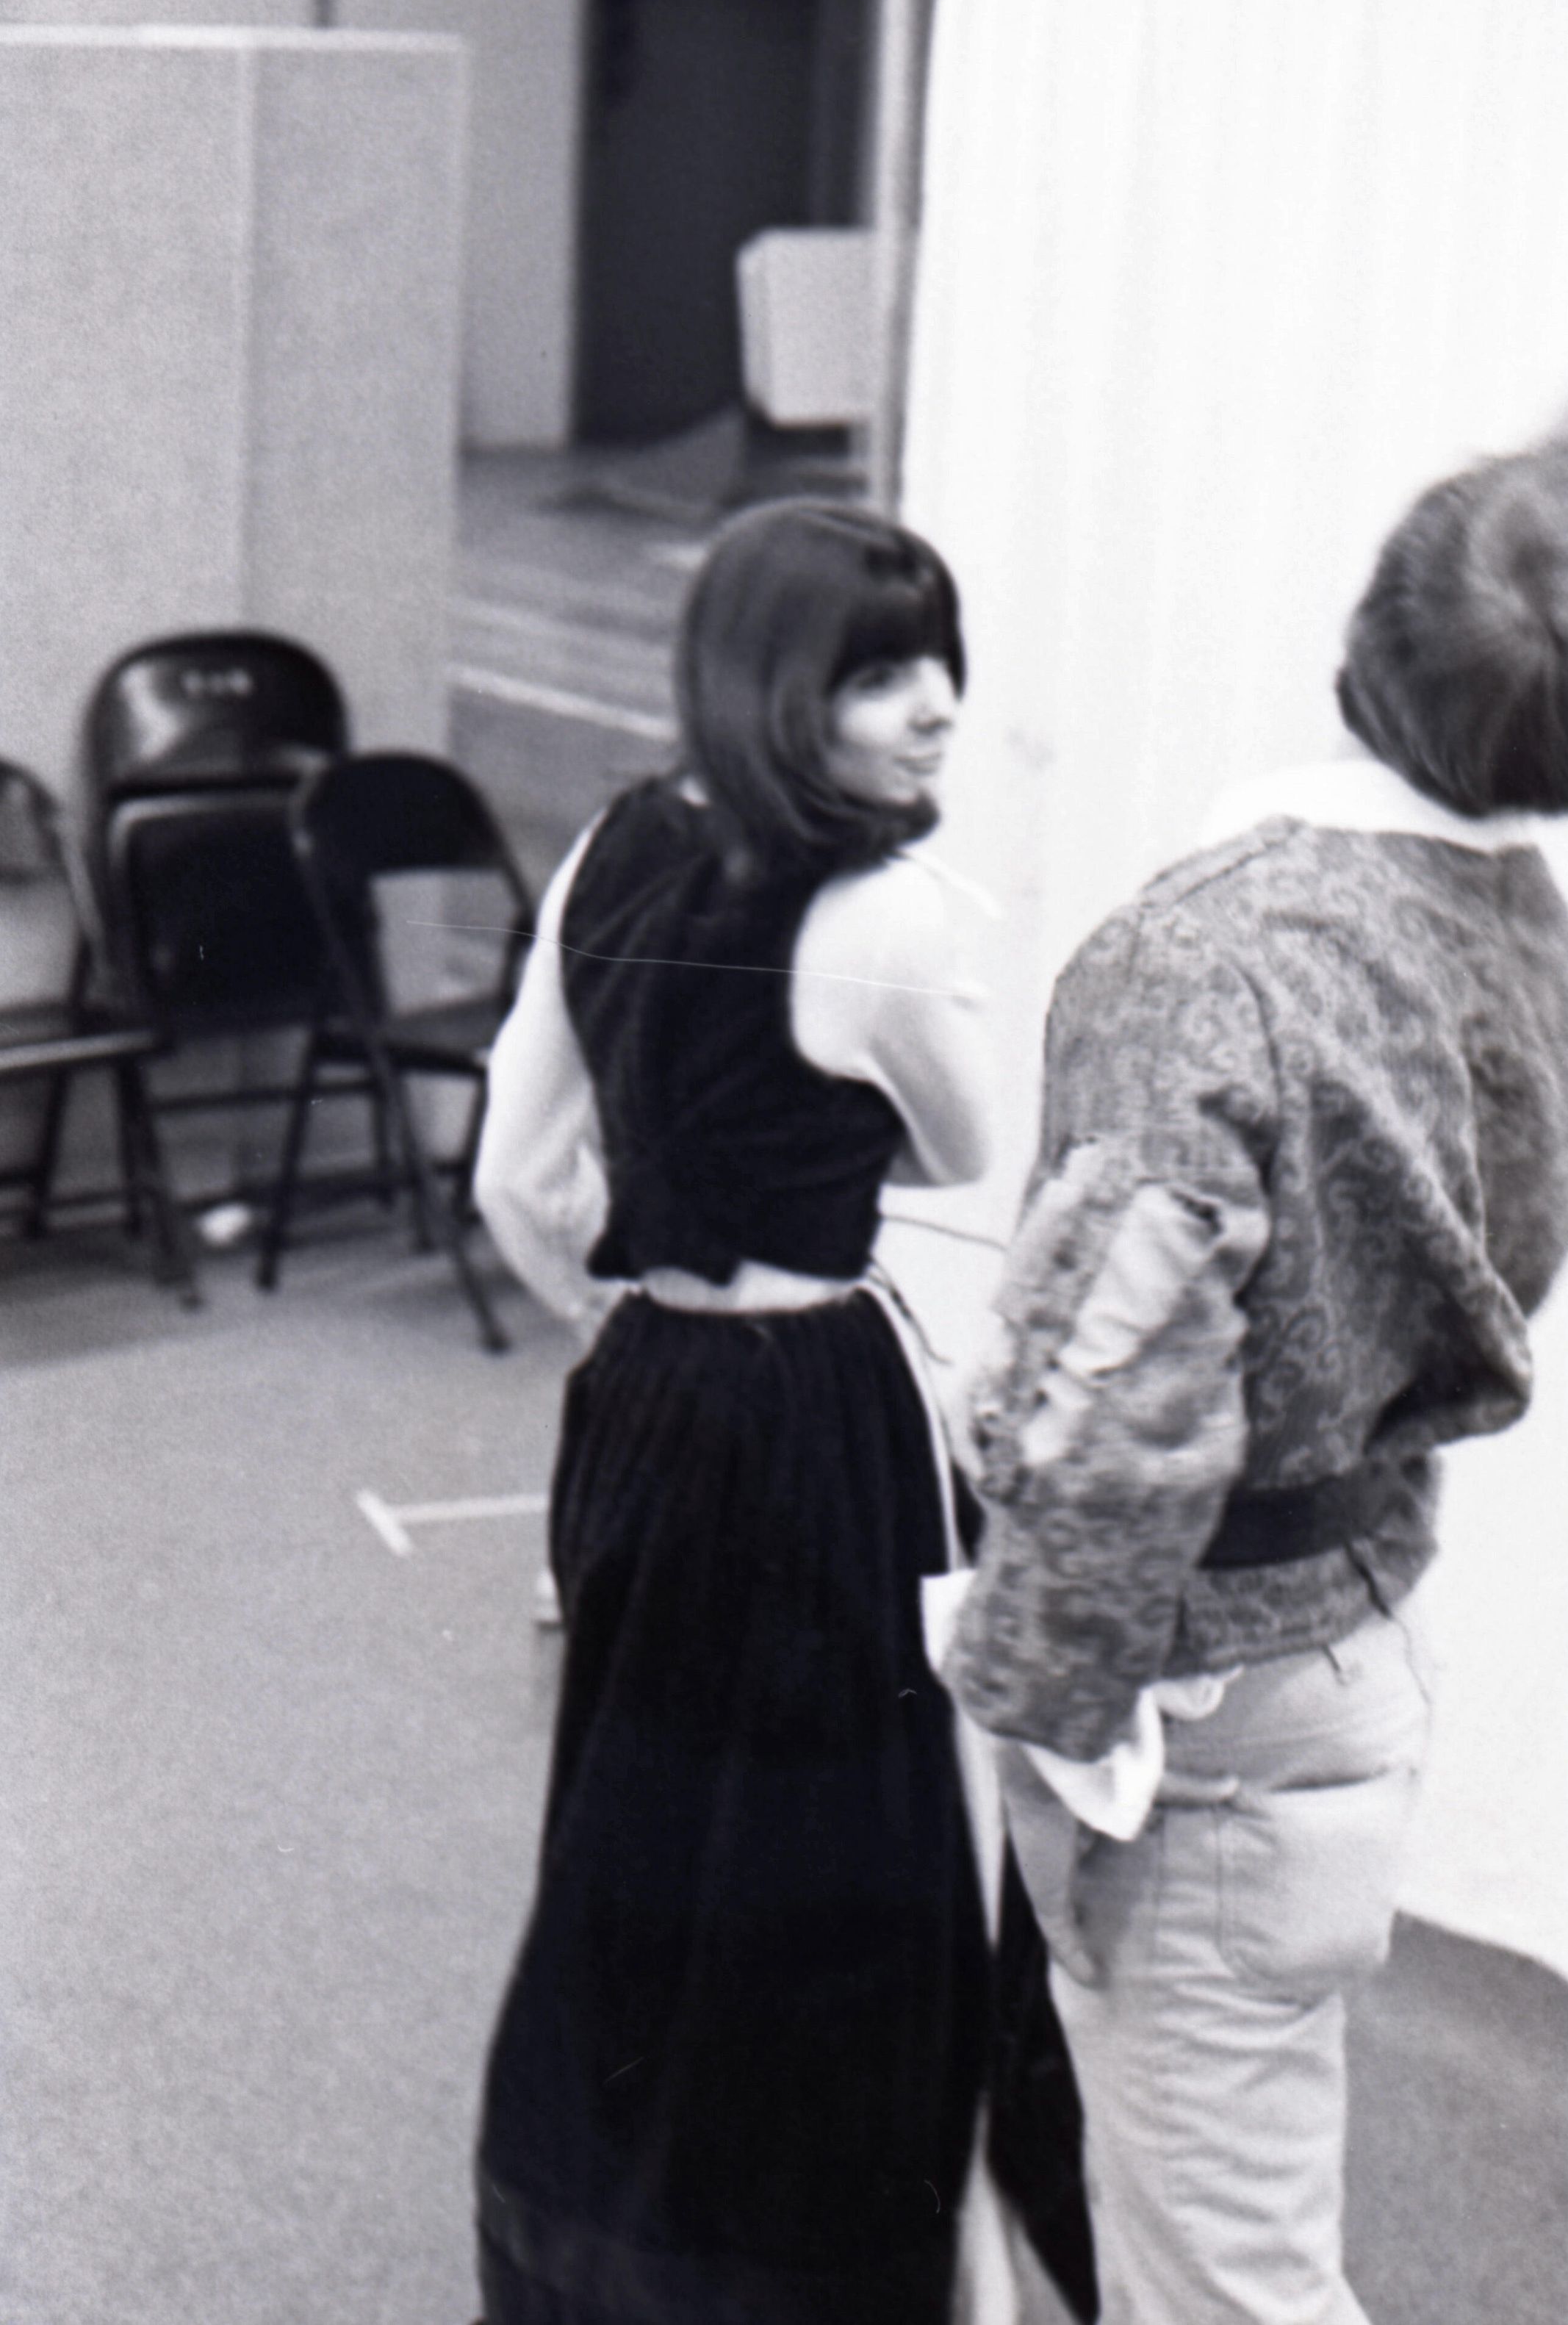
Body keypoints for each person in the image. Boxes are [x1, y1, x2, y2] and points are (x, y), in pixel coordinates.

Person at [944, 384, 1568, 2325]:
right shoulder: (1543, 960)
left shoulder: (1204, 961)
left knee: (1227, 2286)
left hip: (1192, 1704)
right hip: (1345, 1639)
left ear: (1373, 624)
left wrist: (1040, 1729)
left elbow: (1112, 1411)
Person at [469, 500, 999, 2325]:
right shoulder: (889, 913)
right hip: (818, 1409)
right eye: (881, 673)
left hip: (642, 1396)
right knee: (842, 1869)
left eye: (941, 662)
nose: (937, 706)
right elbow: (962, 1147)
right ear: (777, 683)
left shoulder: (611, 842)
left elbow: (514, 1175)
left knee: (629, 1838)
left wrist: (628, 1316)